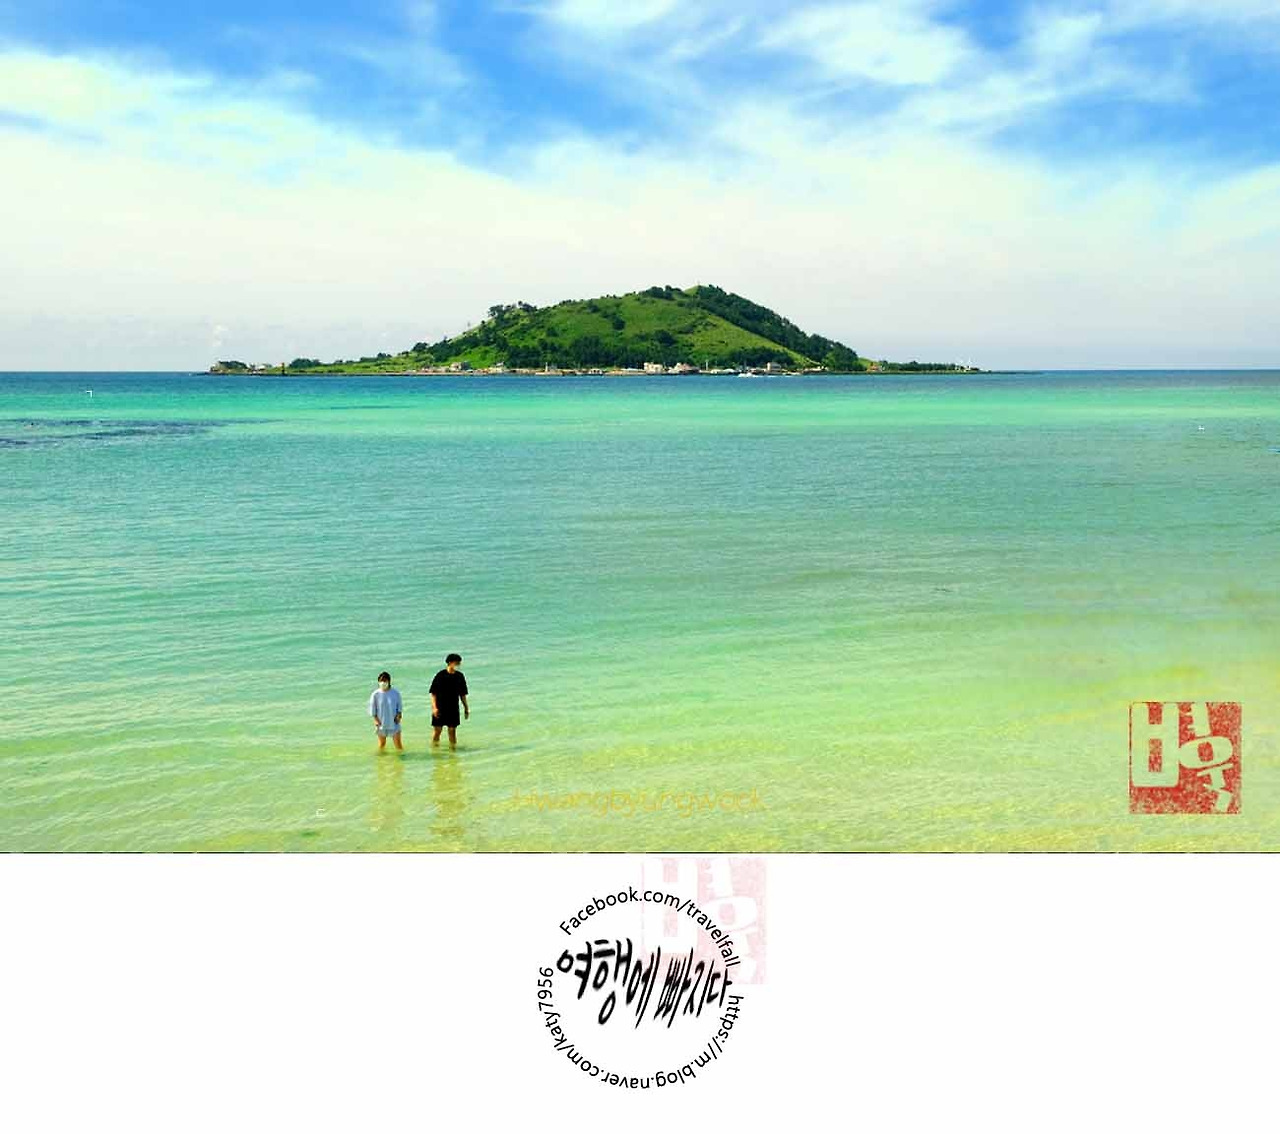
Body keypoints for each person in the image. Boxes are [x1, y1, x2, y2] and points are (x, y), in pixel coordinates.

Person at [430, 653, 469, 749]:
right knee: (437, 731)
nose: (458, 665)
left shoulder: (460, 676)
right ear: (450, 662)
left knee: (452, 732)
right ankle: (435, 751)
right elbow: (433, 693)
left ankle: (453, 753)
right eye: (457, 663)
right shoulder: (440, 675)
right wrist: (434, 708)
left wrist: (466, 708)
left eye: (459, 663)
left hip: (453, 708)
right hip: (440, 707)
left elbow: (463, 694)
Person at [368, 671, 403, 751]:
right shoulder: (375, 694)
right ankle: (381, 758)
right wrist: (376, 720)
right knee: (382, 744)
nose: (383, 683)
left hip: (394, 722)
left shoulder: (395, 693)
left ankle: (401, 758)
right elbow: (373, 709)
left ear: (389, 681)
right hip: (381, 723)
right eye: (381, 681)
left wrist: (399, 715)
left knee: (398, 745)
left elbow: (399, 707)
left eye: (385, 680)